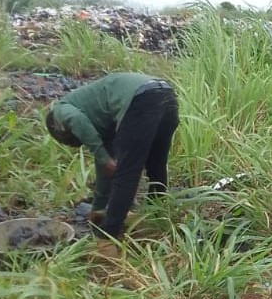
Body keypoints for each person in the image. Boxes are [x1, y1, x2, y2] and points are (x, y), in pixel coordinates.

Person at [45, 73, 179, 244]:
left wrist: (104, 158)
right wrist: (99, 207)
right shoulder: (103, 120)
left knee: (127, 174)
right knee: (156, 166)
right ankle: (155, 219)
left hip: (141, 99)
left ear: (59, 129)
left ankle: (106, 241)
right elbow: (104, 168)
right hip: (166, 94)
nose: (74, 146)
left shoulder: (60, 110)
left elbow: (77, 121)